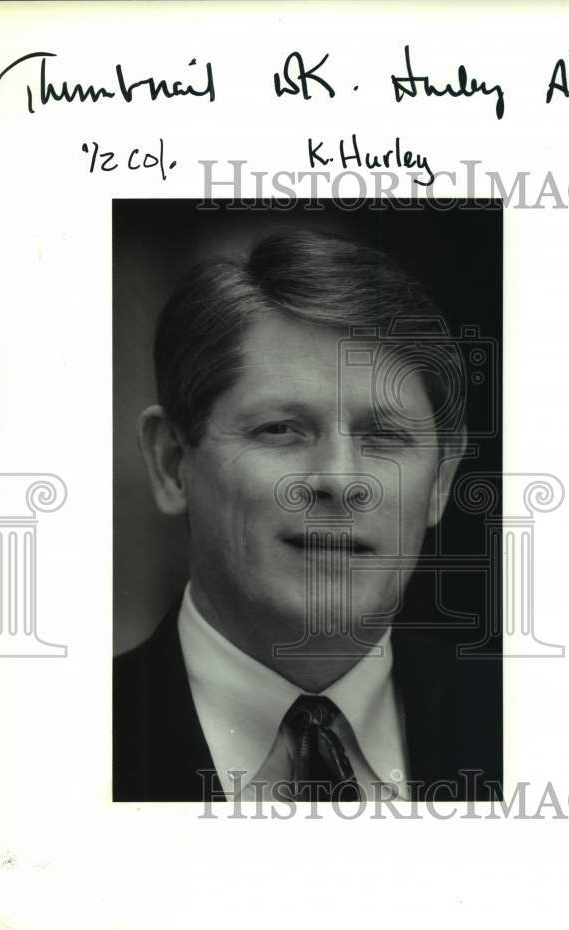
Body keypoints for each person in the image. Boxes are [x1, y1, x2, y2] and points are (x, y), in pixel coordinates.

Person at [113, 229, 501, 803]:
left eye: (386, 436)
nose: (341, 482)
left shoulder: (540, 728)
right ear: (173, 464)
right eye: (281, 430)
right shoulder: (44, 744)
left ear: (440, 482)